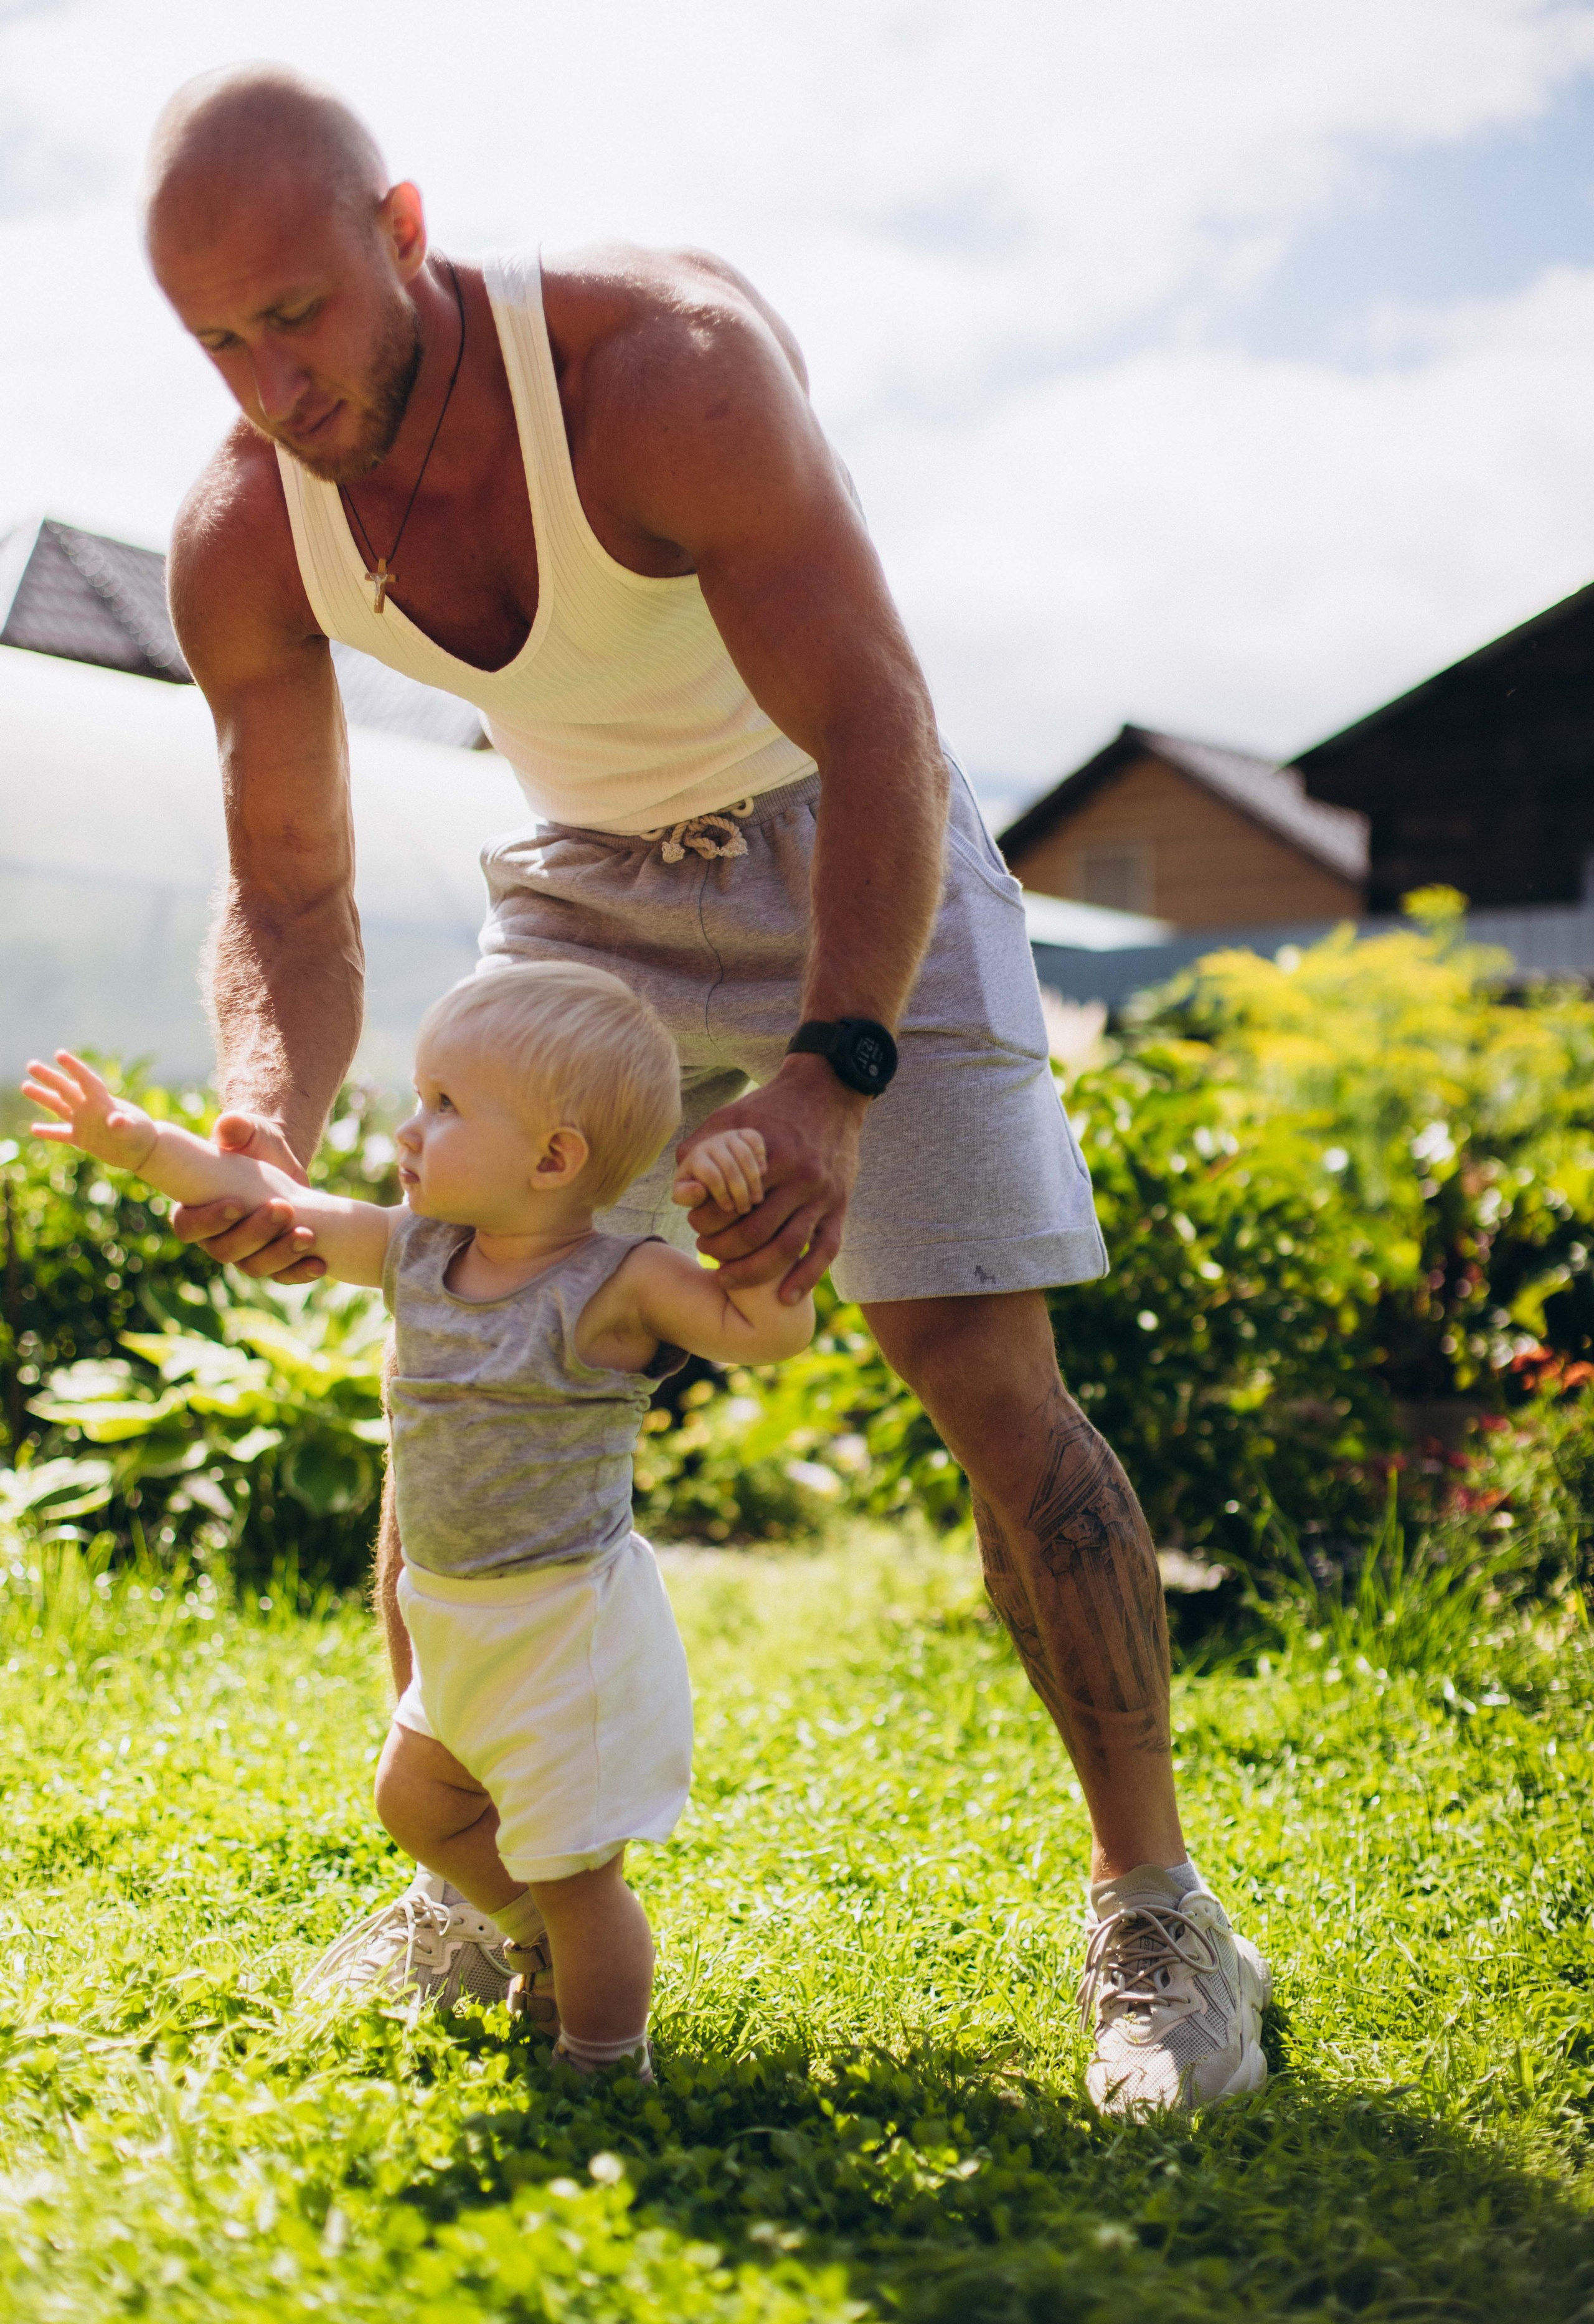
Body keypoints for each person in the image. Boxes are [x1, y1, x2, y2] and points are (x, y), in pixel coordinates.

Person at [138, 63, 1271, 2109]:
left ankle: (1161, 1914)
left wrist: (832, 1076)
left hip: (850, 839)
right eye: (220, 342)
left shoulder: (665, 372)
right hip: (586, 884)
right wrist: (258, 1119)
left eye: (296, 315)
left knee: (974, 1365)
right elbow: (288, 897)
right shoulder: (245, 526)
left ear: (404, 232)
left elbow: (879, 723)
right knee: (460, 1315)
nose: (272, 386)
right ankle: (483, 1890)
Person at [24, 966, 812, 2077]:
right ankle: (532, 1936)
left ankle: (604, 2061)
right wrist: (140, 1143)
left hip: (562, 1635)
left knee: (580, 1876)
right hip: (455, 1621)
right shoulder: (418, 1251)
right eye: (419, 1096)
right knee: (416, 1801)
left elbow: (767, 1333)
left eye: (445, 1106)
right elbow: (275, 1208)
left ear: (554, 1159)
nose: (408, 1129)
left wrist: (740, 1230)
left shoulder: (621, 1281)